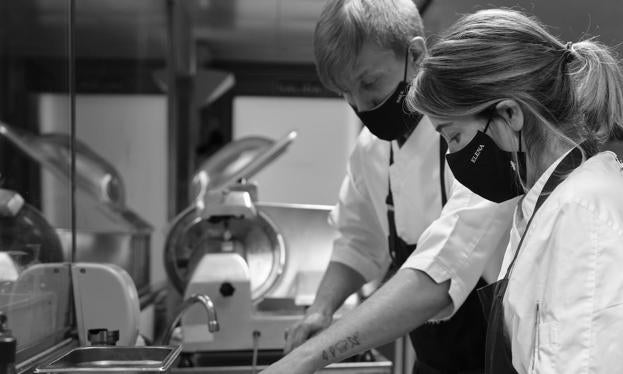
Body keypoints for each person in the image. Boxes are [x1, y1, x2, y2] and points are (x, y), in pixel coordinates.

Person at [279, 1, 515, 373]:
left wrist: (311, 356)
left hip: (500, 361)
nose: (361, 104)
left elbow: (439, 274)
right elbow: (358, 240)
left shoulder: (475, 140)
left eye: (369, 83)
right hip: (432, 363)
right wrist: (320, 310)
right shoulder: (372, 151)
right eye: (345, 92)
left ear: (417, 54)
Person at [405, 9, 623, 373]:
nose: (451, 156)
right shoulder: (544, 206)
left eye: (454, 136)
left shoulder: (581, 213)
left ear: (509, 114)